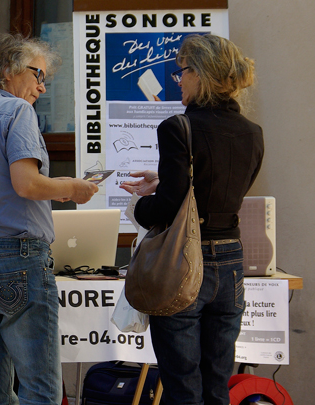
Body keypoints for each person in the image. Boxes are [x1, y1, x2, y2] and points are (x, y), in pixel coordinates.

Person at [0, 33, 98, 405]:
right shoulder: (17, 111)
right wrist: (70, 187)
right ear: (7, 70)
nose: (42, 87)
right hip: (17, 255)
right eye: (37, 74)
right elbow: (27, 183)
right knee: (40, 390)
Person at [120, 34, 264, 405]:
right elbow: (218, 189)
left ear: (201, 73)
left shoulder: (177, 127)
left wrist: (136, 207)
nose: (178, 80)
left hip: (184, 261)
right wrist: (164, 179)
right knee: (218, 382)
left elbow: (169, 207)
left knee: (182, 385)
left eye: (181, 72)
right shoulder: (253, 132)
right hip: (232, 262)